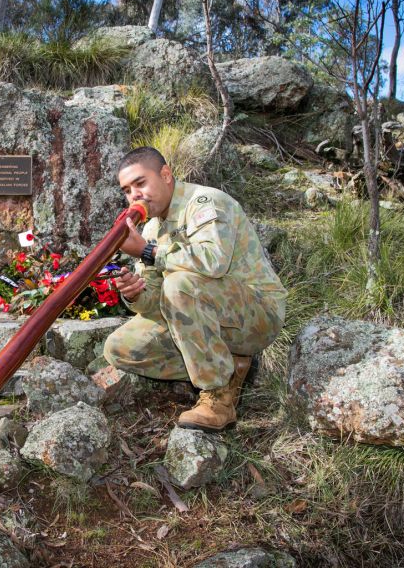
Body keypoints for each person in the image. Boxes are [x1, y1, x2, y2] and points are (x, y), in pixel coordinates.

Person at [103, 147, 287, 431]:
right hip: (205, 311)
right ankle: (231, 367)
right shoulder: (152, 229)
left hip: (258, 314)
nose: (134, 195)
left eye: (141, 183)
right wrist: (136, 294)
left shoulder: (205, 202)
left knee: (180, 284)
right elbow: (156, 302)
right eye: (127, 191)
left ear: (165, 175)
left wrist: (148, 251)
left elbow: (213, 263)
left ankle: (217, 397)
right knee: (120, 348)